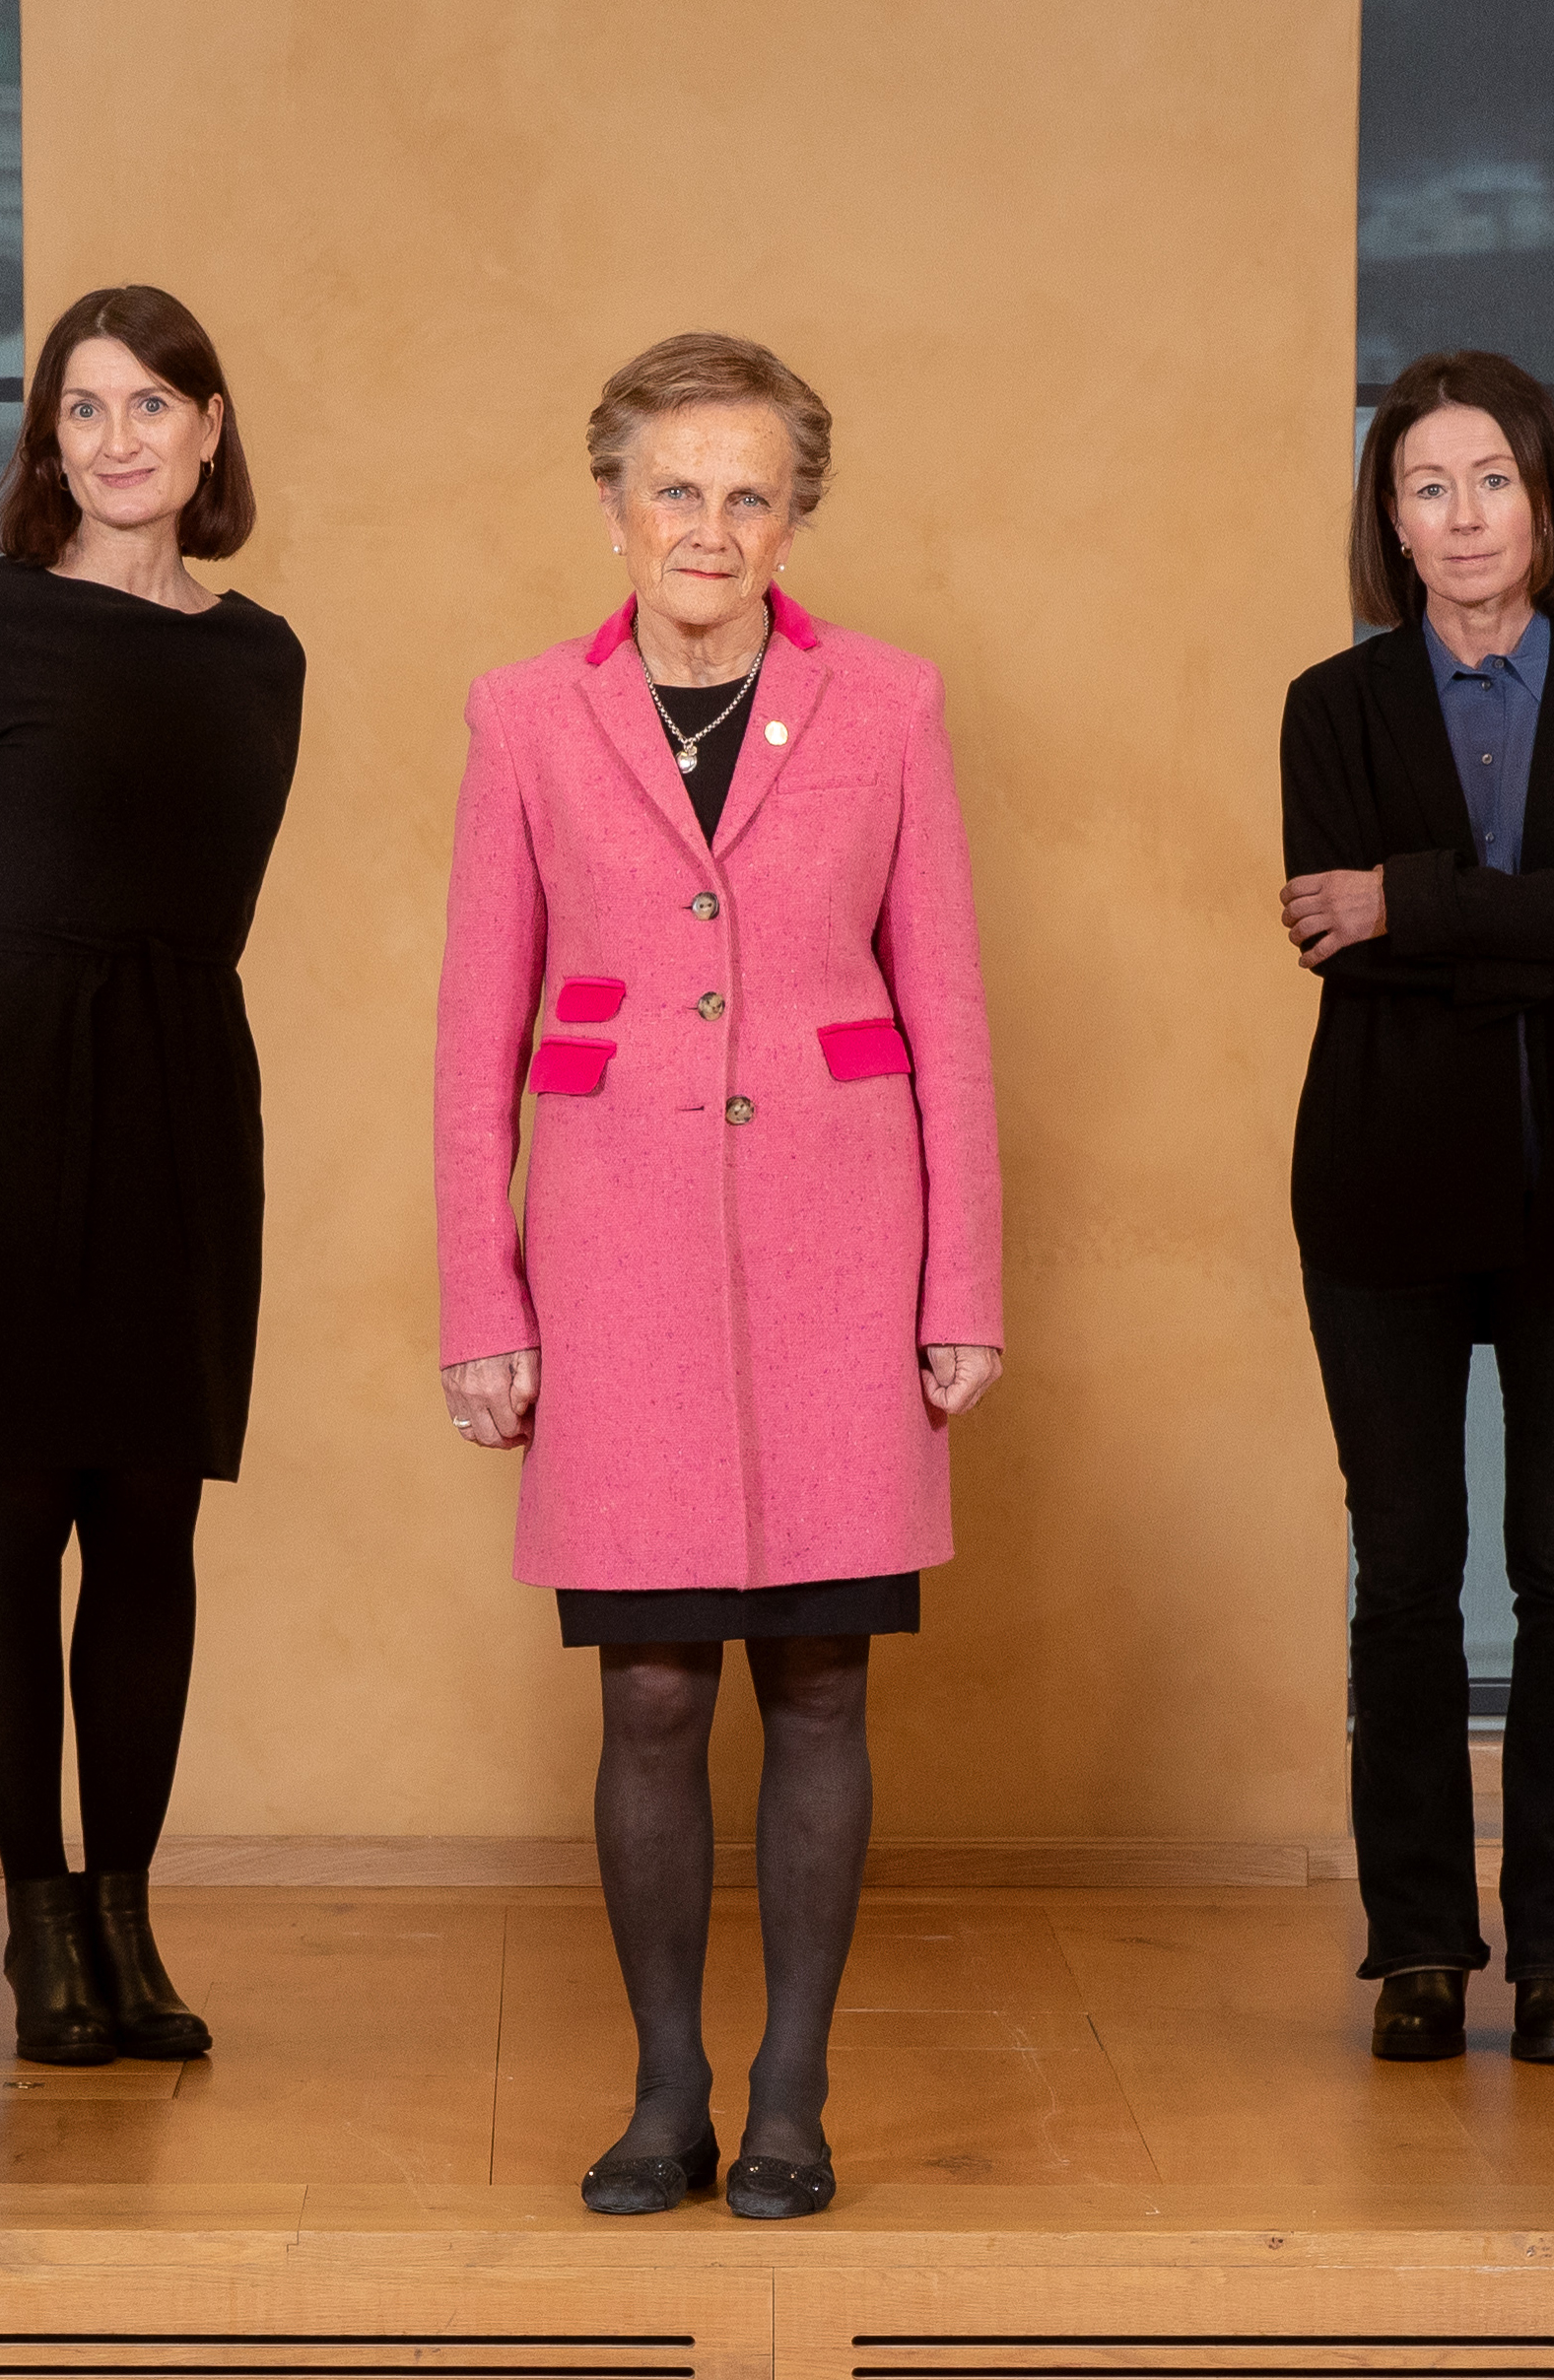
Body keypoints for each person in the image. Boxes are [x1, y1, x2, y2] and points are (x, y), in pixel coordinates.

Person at [434, 333, 1002, 2226]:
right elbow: (471, 1035)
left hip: (848, 1242)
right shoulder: (523, 715)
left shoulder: (891, 704)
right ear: (612, 506)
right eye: (675, 488)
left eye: (749, 492)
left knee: (822, 1682)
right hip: (614, 1257)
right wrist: (481, 1302)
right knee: (654, 1694)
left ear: (794, 518)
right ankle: (666, 2083)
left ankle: (792, 2091)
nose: (710, 524)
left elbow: (949, 1009)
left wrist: (961, 1282)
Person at [0, 286, 303, 2066]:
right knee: (13, 1512)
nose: (118, 439)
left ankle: (129, 1911)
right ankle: (38, 1919)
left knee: (153, 1522)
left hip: (185, 1079)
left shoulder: (260, 653)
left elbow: (218, 888)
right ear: (45, 440)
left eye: (153, 406)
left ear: (209, 431)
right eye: (84, 409)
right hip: (5, 1074)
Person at [1276, 351, 1554, 2070]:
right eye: (1425, 487)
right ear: (1390, 516)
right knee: (1405, 1579)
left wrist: (1417, 905)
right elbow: (1328, 933)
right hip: (1378, 1188)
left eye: (1492, 482)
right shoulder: (1330, 704)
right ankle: (1421, 1949)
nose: (1461, 517)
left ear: (1545, 501)